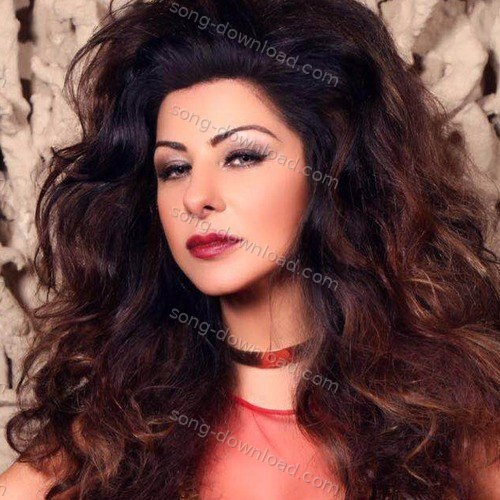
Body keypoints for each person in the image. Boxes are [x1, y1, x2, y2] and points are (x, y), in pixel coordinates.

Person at [1, 0, 499, 498]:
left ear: (329, 172)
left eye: (242, 156)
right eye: (175, 169)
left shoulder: (445, 418)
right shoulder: (111, 427)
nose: (196, 197)